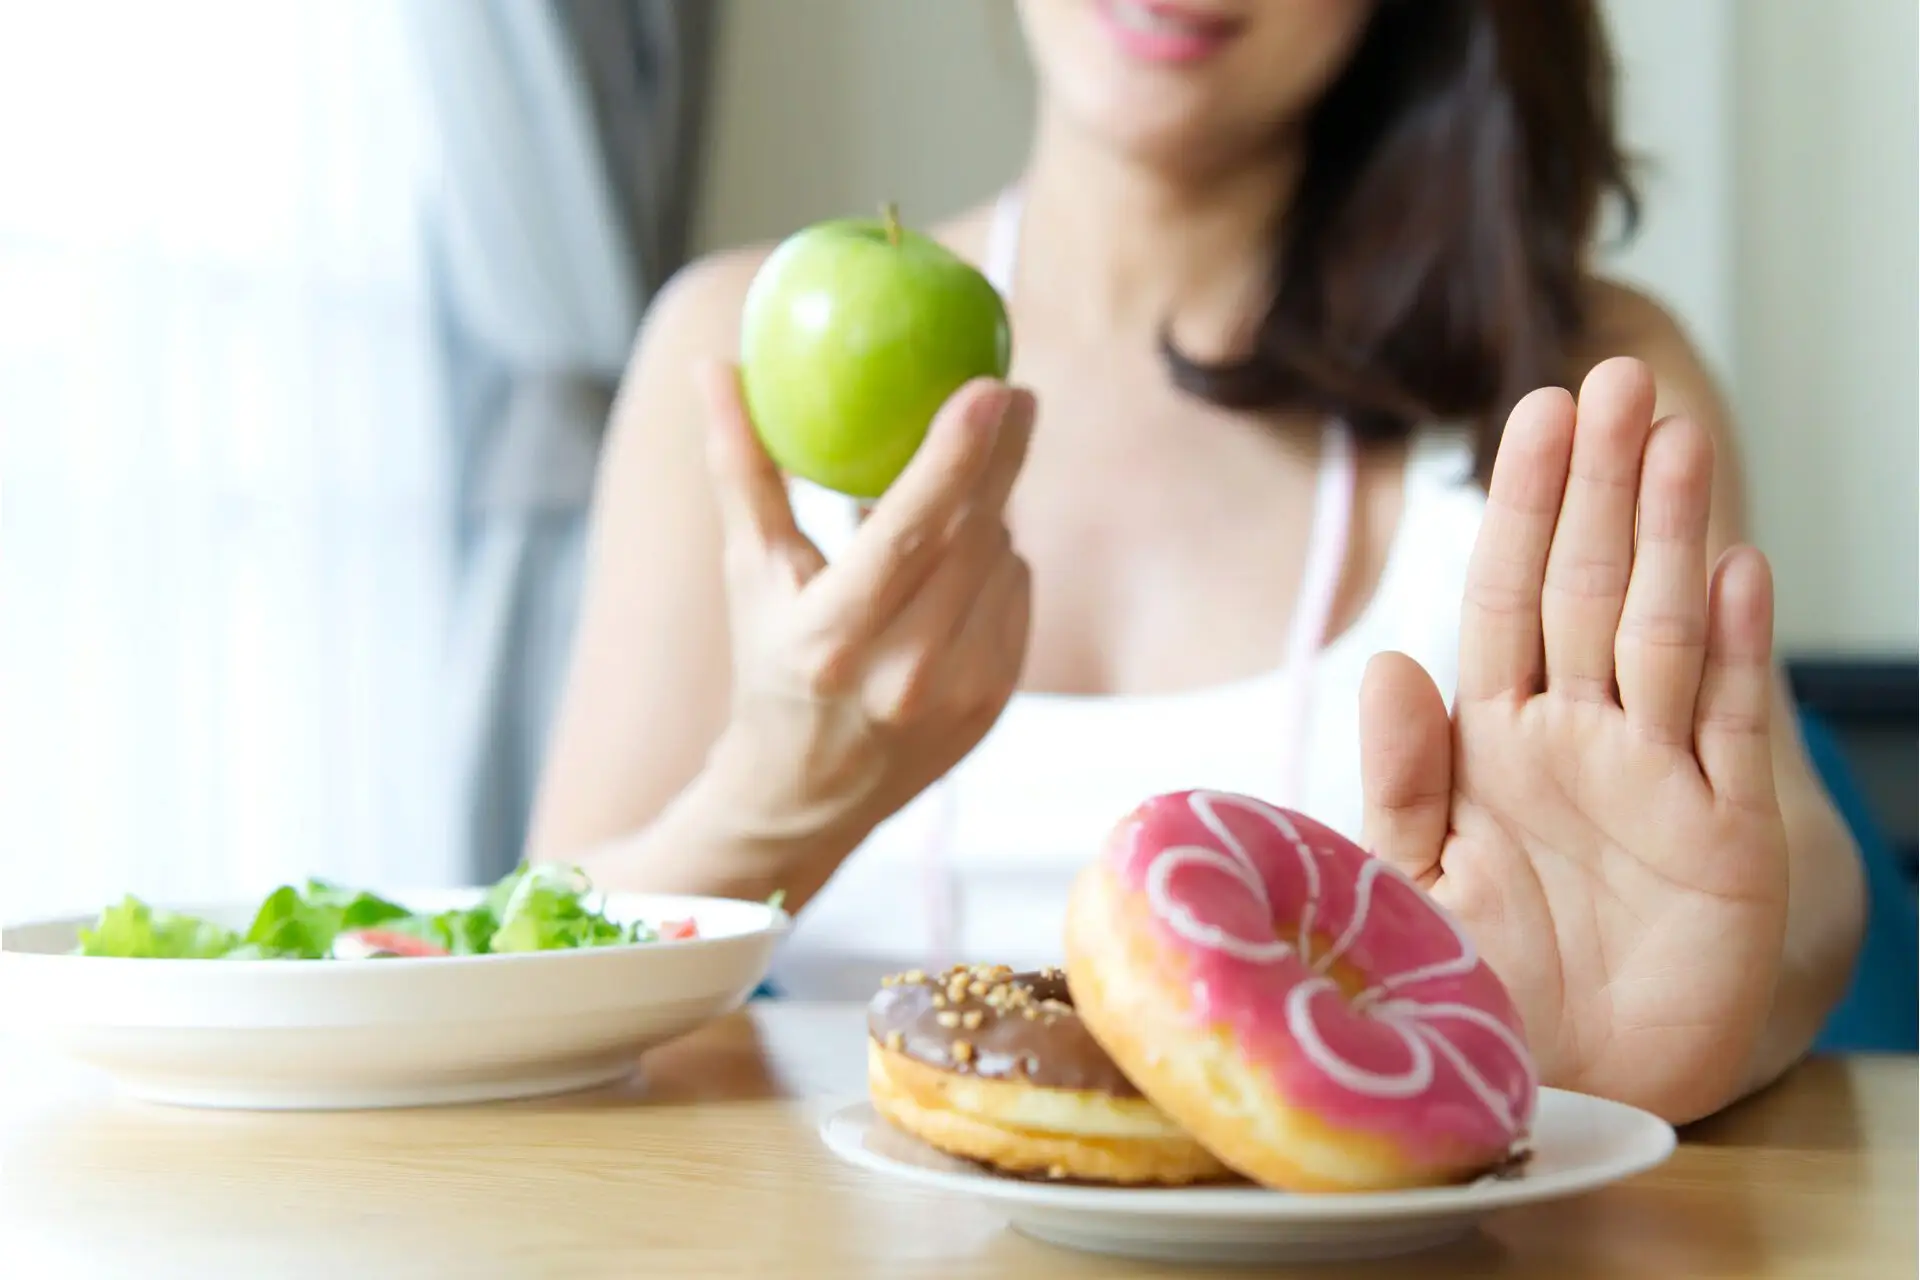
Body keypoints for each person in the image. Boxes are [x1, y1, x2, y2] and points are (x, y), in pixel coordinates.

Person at [527, 0, 1865, 1125]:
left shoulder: (1566, 381)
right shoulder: (733, 345)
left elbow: (1781, 879)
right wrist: (768, 804)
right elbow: (530, 976)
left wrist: (1655, 1037)